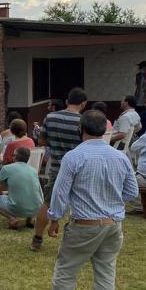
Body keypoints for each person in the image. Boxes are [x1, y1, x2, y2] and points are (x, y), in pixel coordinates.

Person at [43, 110, 138, 290]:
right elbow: (132, 191)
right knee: (105, 275)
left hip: (84, 224)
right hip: (113, 224)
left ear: (80, 129)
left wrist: (54, 218)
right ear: (107, 130)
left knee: (66, 272)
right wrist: (112, 203)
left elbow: (60, 192)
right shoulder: (120, 157)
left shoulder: (74, 157)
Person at [32, 88, 87, 252]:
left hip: (56, 166)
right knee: (80, 202)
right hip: (79, 166)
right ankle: (77, 242)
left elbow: (42, 140)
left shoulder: (50, 117)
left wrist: (55, 145)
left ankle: (37, 239)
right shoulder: (83, 121)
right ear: (83, 103)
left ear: (67, 101)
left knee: (48, 202)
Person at [0, 146, 44, 229]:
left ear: (15, 156)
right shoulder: (33, 170)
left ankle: (12, 218)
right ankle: (30, 219)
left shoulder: (6, 168)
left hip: (17, 208)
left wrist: (6, 192)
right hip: (37, 207)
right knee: (29, 195)